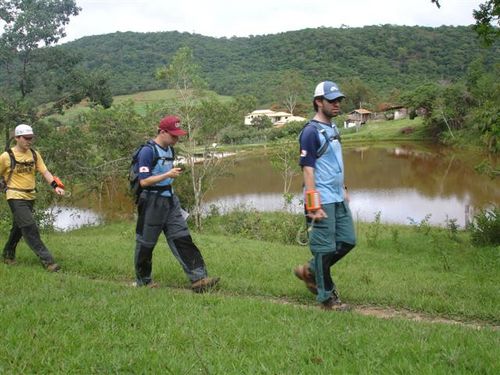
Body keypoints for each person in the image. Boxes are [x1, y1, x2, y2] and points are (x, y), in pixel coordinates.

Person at [134, 115, 220, 292]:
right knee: (146, 243)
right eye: (173, 135)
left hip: (170, 200)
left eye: (178, 135)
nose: (176, 139)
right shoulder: (147, 151)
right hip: (152, 202)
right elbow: (143, 182)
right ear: (162, 132)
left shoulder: (170, 150)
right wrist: (167, 175)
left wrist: (169, 178)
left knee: (182, 237)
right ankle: (143, 281)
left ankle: (198, 279)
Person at [294, 81, 356, 310]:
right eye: (332, 100)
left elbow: (333, 163)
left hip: (337, 196)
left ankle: (310, 270)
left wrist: (344, 187)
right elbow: (308, 169)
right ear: (319, 102)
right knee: (324, 249)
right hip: (321, 199)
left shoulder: (333, 128)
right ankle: (327, 298)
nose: (337, 104)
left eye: (338, 100)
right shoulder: (310, 132)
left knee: (348, 240)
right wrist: (313, 204)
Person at [0, 124, 64, 271]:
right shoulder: (6, 156)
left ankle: (7, 254)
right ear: (17, 138)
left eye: (31, 138)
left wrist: (56, 186)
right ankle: (48, 262)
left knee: (18, 227)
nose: (29, 141)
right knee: (30, 227)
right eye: (26, 138)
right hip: (14, 196)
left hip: (30, 195)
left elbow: (45, 172)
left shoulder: (34, 154)